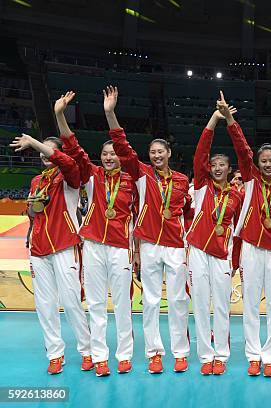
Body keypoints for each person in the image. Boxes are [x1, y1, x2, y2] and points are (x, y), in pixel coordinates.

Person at [105, 86, 193, 374]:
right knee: (152, 301)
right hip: (150, 246)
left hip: (176, 246)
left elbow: (190, 210)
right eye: (152, 152)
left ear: (169, 153)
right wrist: (110, 113)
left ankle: (180, 353)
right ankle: (155, 353)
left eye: (160, 151)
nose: (156, 155)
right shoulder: (140, 172)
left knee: (179, 300)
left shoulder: (182, 180)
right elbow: (122, 146)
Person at [55, 91, 136, 377]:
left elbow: (125, 146)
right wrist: (60, 115)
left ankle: (124, 355)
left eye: (114, 154)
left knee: (123, 304)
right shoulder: (92, 175)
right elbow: (73, 147)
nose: (110, 157)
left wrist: (109, 113)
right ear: (100, 158)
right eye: (106, 154)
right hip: (92, 246)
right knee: (97, 304)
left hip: (119, 248)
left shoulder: (131, 179)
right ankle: (100, 356)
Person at [219, 91, 271, 378]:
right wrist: (229, 119)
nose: (268, 164)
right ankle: (253, 355)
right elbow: (242, 148)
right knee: (250, 303)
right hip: (249, 246)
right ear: (258, 163)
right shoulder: (250, 179)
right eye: (264, 160)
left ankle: (270, 355)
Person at [10, 133, 92, 375]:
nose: (43, 154)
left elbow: (67, 162)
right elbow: (33, 214)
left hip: (64, 244)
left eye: (48, 150)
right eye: (40, 151)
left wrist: (35, 142)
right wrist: (32, 209)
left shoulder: (69, 176)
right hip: (38, 248)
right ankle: (55, 354)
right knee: (44, 304)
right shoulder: (37, 181)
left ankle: (86, 350)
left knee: (71, 301)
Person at [187, 106, 242, 376]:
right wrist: (214, 120)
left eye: (223, 165)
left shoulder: (237, 195)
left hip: (222, 255)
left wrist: (236, 259)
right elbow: (200, 153)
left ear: (230, 169)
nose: (217, 168)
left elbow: (241, 228)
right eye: (214, 165)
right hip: (197, 251)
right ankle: (205, 356)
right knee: (199, 303)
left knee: (221, 305)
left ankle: (221, 354)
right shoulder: (201, 186)